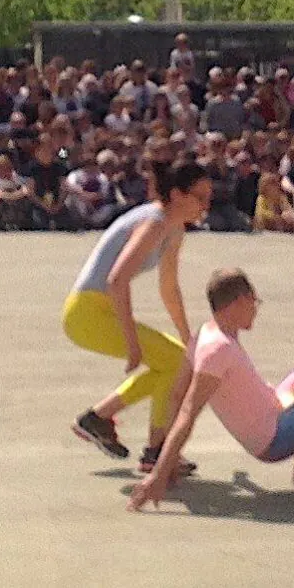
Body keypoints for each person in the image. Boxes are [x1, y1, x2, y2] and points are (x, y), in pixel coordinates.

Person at [129, 269, 294, 510]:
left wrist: (168, 459)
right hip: (274, 437)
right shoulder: (219, 350)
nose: (256, 309)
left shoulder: (204, 333)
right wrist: (159, 474)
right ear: (241, 301)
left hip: (275, 405)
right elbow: (187, 412)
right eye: (254, 301)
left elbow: (175, 395)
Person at [65, 161, 208, 475]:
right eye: (199, 197)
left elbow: (169, 287)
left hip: (95, 312)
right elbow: (118, 280)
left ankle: (99, 418)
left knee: (178, 359)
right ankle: (157, 451)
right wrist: (132, 343)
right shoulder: (155, 222)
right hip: (88, 313)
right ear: (176, 194)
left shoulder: (173, 228)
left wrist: (187, 336)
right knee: (172, 362)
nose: (205, 206)